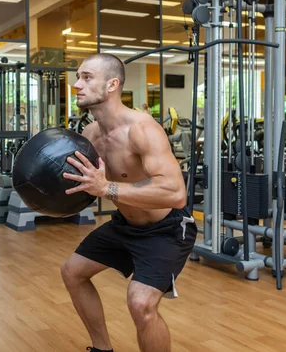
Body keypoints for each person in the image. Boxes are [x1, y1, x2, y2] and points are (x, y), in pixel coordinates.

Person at [60, 53, 197, 352]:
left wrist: (106, 187)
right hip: (125, 225)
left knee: (141, 303)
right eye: (78, 76)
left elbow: (175, 193)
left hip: (166, 229)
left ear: (112, 85)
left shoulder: (141, 128)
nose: (76, 85)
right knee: (72, 271)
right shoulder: (90, 133)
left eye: (86, 77)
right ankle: (101, 348)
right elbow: (90, 186)